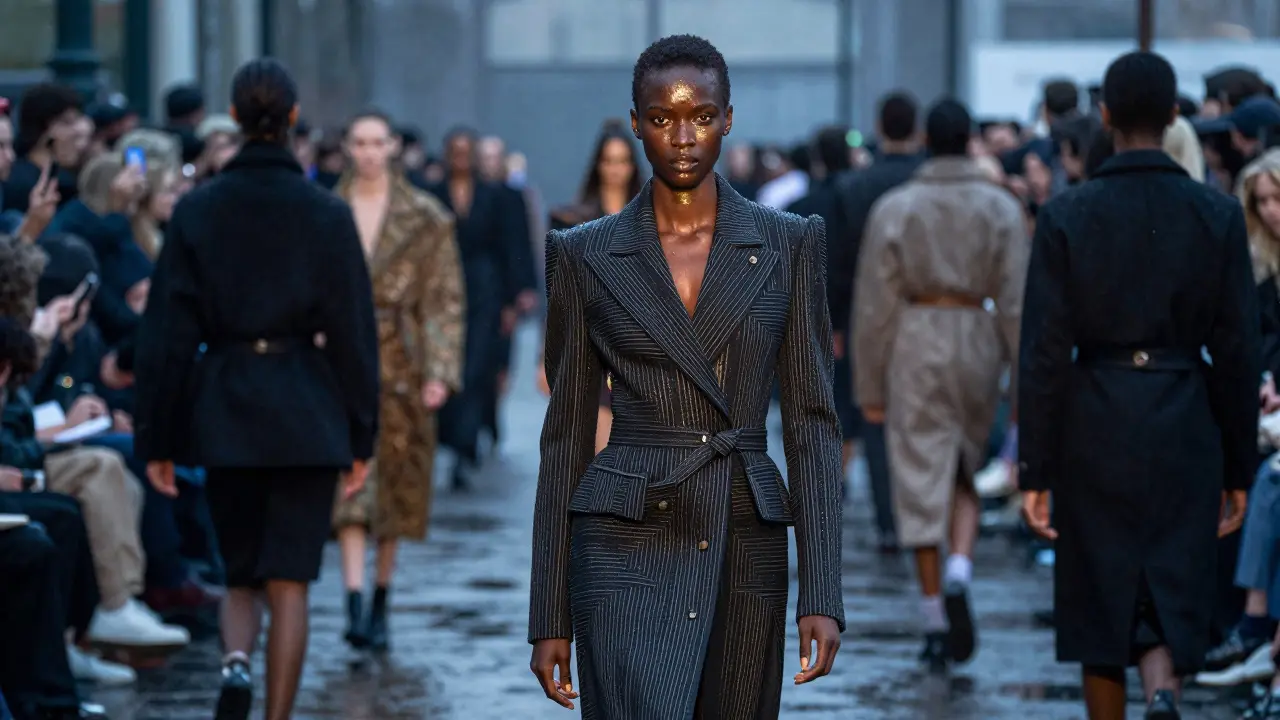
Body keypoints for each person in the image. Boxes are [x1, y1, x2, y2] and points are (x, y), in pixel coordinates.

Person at [528, 34, 844, 719]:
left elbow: (813, 423)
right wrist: (548, 610)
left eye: (701, 116)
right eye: (663, 118)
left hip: (742, 532)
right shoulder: (583, 255)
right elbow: (565, 437)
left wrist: (823, 592)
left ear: (729, 118)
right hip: (623, 537)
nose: (682, 137)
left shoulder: (789, 244)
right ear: (637, 121)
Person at [134, 58, 380, 720]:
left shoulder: (198, 212)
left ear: (236, 120)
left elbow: (166, 335)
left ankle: (236, 662)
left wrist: (156, 436)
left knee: (239, 573)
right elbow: (355, 333)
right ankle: (274, 715)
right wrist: (363, 433)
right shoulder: (326, 214)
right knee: (290, 577)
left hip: (226, 405)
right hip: (307, 406)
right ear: (293, 119)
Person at [1019, 51, 1260, 720]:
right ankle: (1161, 695)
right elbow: (1238, 351)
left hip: (1094, 411)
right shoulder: (1216, 214)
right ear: (1176, 113)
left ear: (1103, 116)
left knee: (1101, 593)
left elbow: (1040, 351)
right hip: (1187, 408)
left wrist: (1034, 469)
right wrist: (1240, 465)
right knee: (1171, 579)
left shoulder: (1067, 214)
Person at [854, 98, 1029, 673]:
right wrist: (1021, 381)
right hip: (977, 334)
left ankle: (933, 612)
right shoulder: (1000, 207)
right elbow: (1017, 301)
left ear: (929, 138)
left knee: (919, 476)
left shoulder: (896, 208)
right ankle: (961, 570)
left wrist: (869, 386)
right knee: (963, 467)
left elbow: (875, 304)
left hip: (916, 336)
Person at [331, 108, 465, 653]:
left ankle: (380, 596)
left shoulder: (426, 217)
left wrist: (440, 371)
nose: (367, 152)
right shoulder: (326, 211)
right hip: (340, 362)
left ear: (392, 147)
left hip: (404, 363)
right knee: (349, 486)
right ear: (347, 146)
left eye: (376, 142)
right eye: (358, 141)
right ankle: (354, 600)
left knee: (398, 486)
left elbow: (444, 299)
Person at [535, 119, 643, 452]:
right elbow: (556, 293)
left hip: (641, 348)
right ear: (597, 165)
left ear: (633, 165)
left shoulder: (650, 219)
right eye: (609, 161)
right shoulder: (570, 222)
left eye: (623, 161)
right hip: (588, 346)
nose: (616, 169)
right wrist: (544, 356)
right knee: (598, 454)